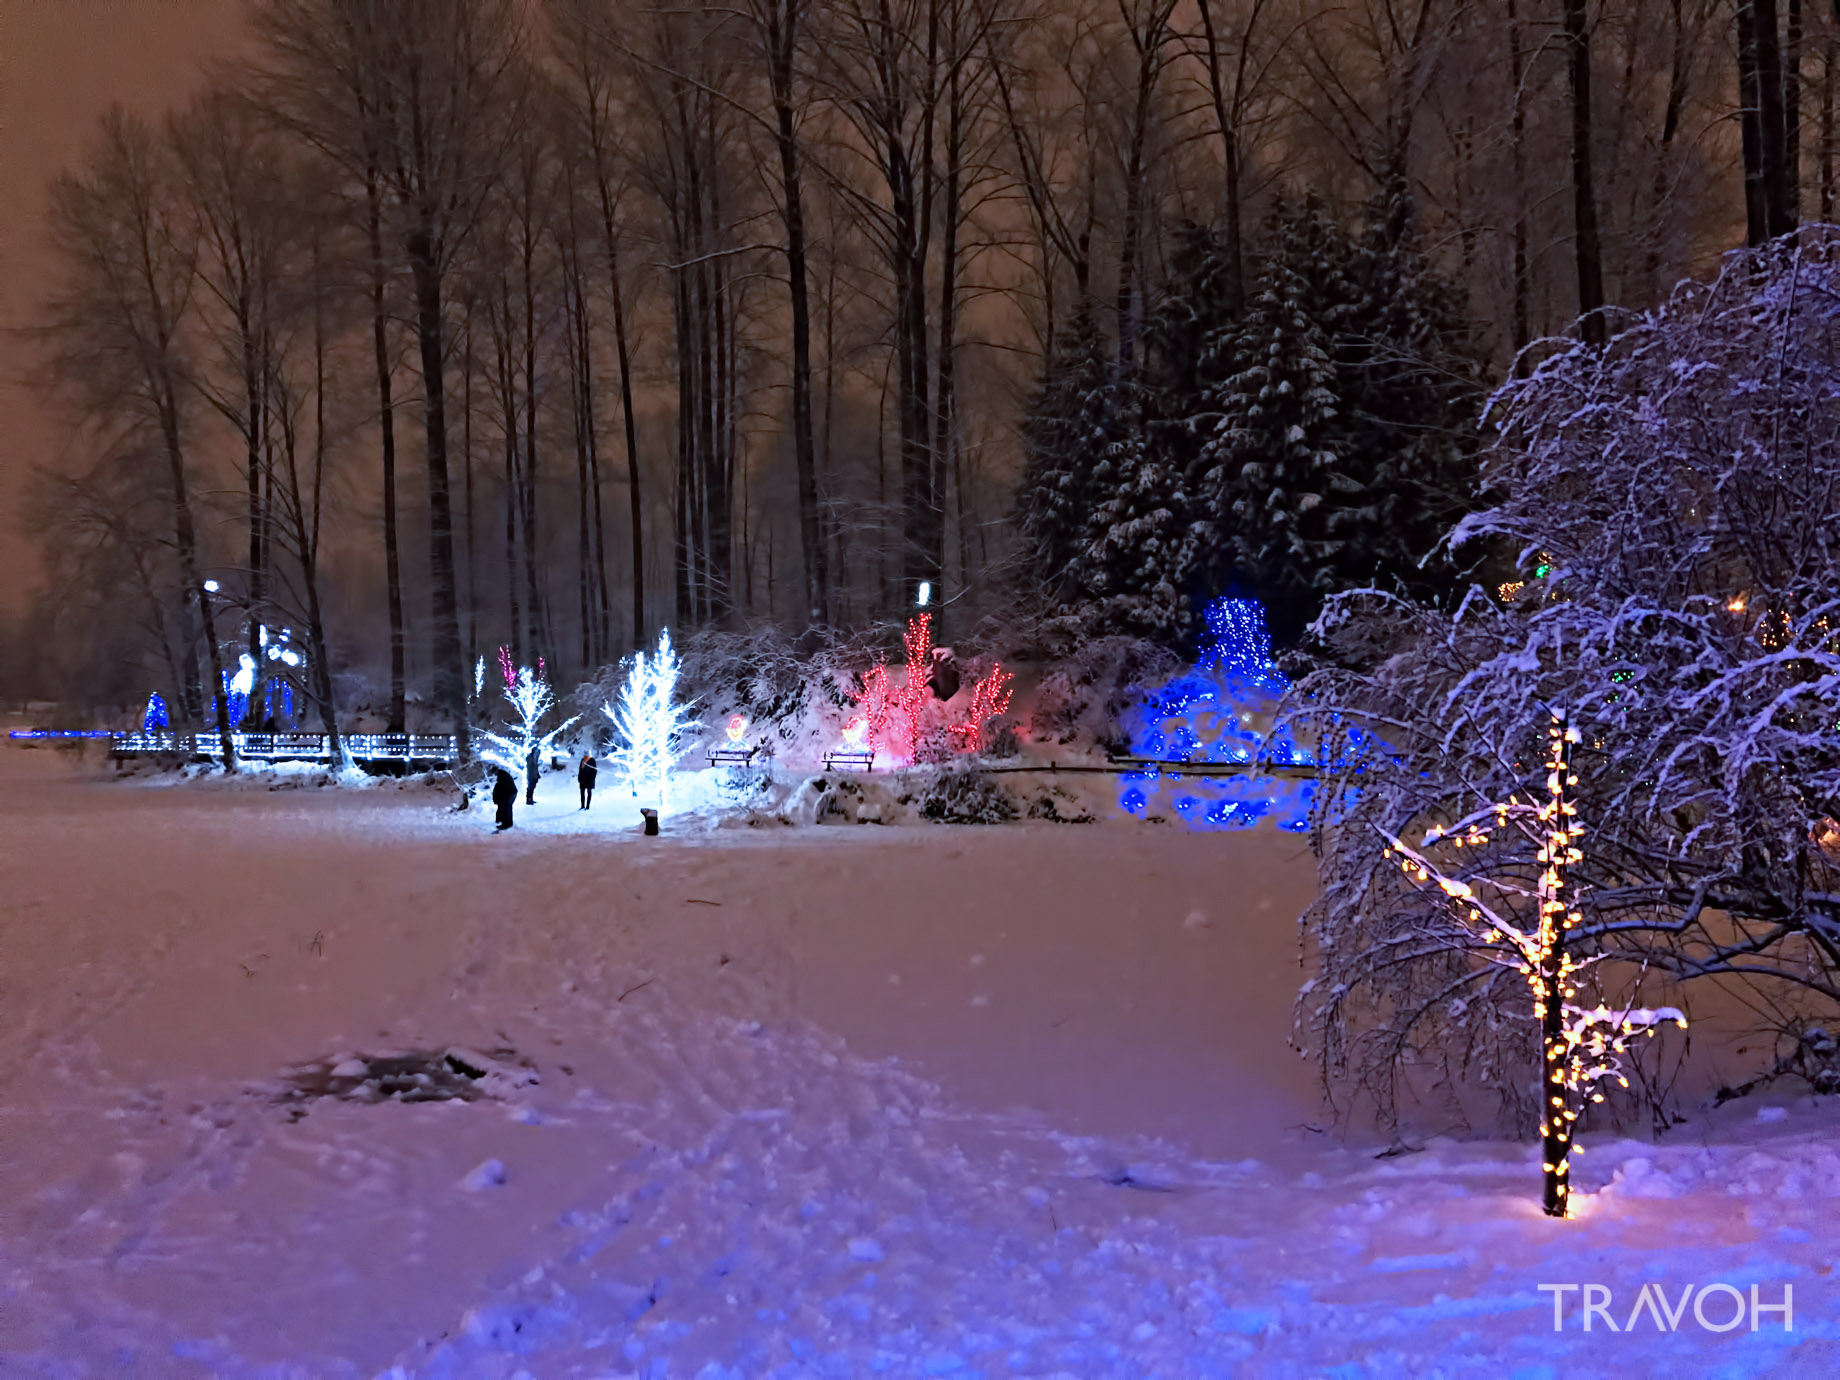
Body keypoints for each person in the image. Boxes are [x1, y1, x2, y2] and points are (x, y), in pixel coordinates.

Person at [492, 766, 517, 831]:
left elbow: (501, 788)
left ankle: (506, 824)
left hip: (510, 793)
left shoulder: (502, 776)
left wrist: (498, 798)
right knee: (507, 808)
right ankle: (506, 822)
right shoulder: (503, 774)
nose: (494, 775)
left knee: (506, 808)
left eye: (494, 773)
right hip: (511, 792)